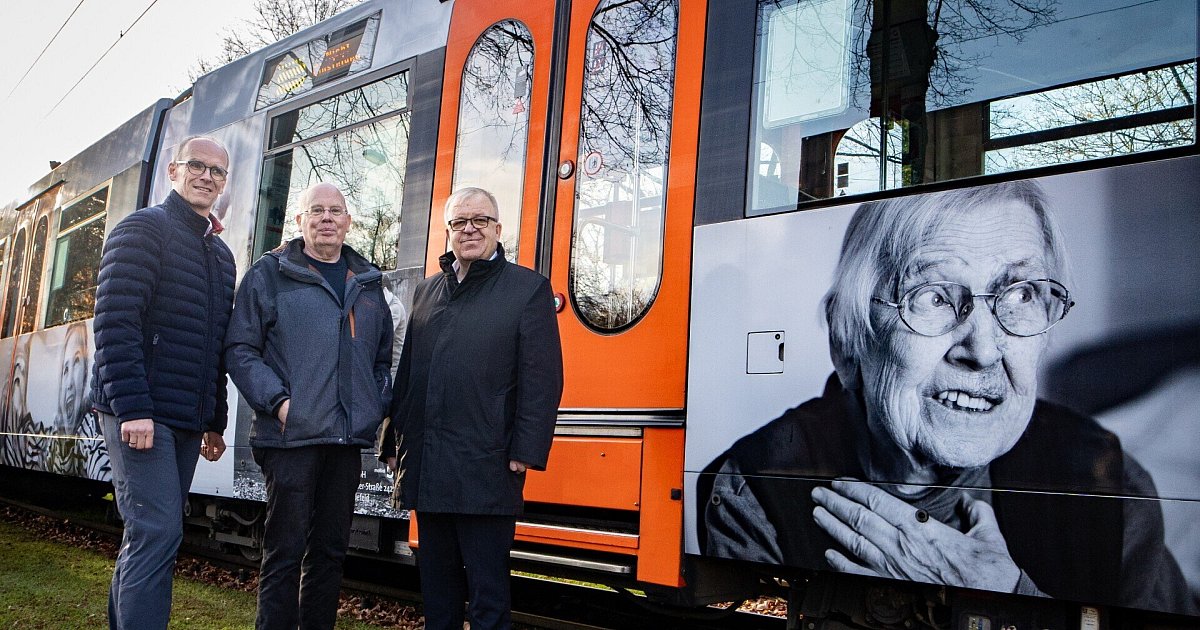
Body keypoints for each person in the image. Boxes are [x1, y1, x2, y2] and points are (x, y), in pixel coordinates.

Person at [700, 181, 1199, 614]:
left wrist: (1006, 597)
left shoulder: (1110, 490)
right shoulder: (755, 491)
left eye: (1022, 294)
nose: (982, 351)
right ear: (849, 339)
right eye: (934, 296)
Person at [384, 186, 563, 630]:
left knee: (487, 596)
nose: (469, 229)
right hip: (430, 464)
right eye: (459, 222)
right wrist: (393, 442)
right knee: (438, 593)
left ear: (498, 230)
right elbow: (408, 376)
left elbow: (543, 380)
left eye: (479, 220)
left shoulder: (528, 290)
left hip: (489, 465)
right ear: (448, 232)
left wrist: (526, 448)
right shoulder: (426, 292)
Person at [225, 182, 394, 630]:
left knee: (330, 553)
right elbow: (241, 349)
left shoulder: (369, 283)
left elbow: (381, 358)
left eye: (335, 211)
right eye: (315, 211)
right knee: (284, 551)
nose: (326, 219)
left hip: (344, 443)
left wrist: (373, 405)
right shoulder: (269, 274)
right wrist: (280, 403)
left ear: (348, 222)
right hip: (290, 438)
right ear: (299, 221)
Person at [91, 135, 235, 629]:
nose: (207, 177)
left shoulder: (221, 257)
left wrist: (216, 419)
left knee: (146, 535)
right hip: (140, 410)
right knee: (157, 531)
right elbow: (114, 323)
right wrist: (133, 408)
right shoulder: (142, 230)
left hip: (186, 420)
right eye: (197, 165)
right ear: (174, 171)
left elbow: (214, 343)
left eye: (218, 171)